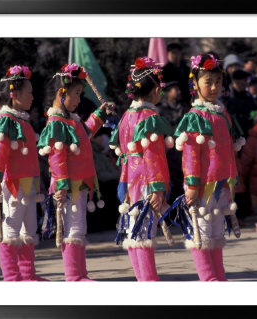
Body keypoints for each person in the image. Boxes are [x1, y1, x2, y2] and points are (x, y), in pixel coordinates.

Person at [173, 53, 245, 281]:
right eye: (208, 82)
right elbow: (191, 154)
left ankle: (218, 276)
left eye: (218, 82)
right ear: (195, 84)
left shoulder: (221, 113)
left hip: (221, 182)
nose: (214, 87)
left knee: (215, 231)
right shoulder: (195, 116)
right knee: (202, 232)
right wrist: (192, 184)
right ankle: (208, 278)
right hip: (203, 184)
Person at [37, 63, 111, 281]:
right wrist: (60, 184)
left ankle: (79, 274)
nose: (79, 100)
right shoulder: (57, 122)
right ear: (62, 94)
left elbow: (86, 132)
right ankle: (74, 276)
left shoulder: (71, 121)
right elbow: (57, 157)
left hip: (78, 184)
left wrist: (100, 114)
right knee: (73, 229)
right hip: (68, 186)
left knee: (78, 228)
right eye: (76, 94)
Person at [110, 56, 174, 281]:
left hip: (128, 179)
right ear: (156, 89)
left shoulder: (127, 116)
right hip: (147, 180)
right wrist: (158, 187)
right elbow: (153, 155)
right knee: (145, 232)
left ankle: (142, 279)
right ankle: (149, 280)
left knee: (134, 231)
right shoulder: (150, 117)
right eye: (161, 88)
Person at [0, 65, 48, 281]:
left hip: (28, 182)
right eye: (29, 92)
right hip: (13, 182)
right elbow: (0, 152)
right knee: (12, 228)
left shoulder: (22, 120)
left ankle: (28, 274)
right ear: (14, 94)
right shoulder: (6, 121)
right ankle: (12, 277)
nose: (33, 97)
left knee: (29, 228)